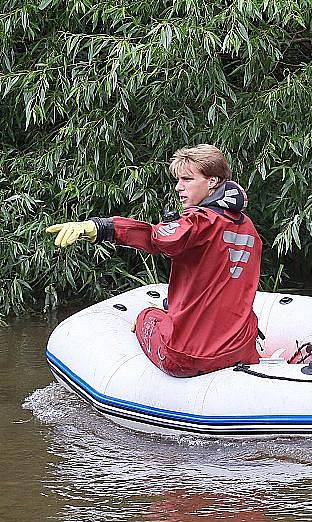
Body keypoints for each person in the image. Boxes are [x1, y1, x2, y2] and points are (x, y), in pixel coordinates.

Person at [46, 144, 263, 377]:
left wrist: (102, 227)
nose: (179, 187)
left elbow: (154, 237)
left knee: (147, 316)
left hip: (188, 357)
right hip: (240, 351)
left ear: (212, 182)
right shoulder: (248, 228)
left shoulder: (200, 221)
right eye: (178, 180)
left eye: (187, 179)